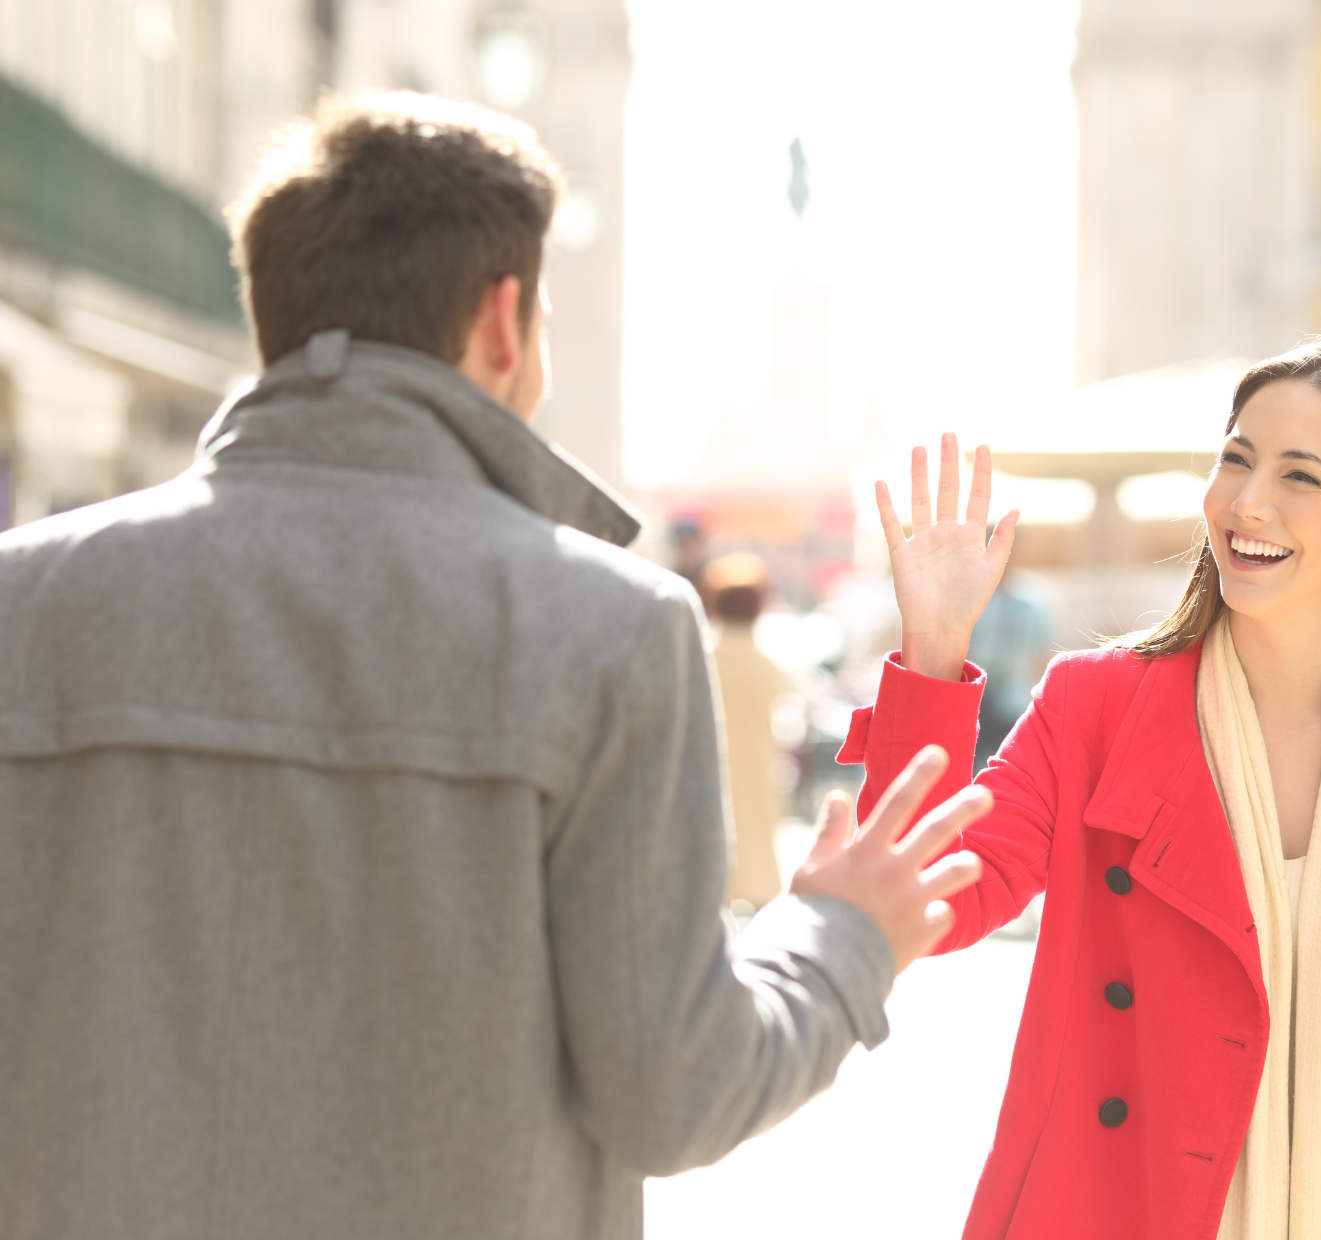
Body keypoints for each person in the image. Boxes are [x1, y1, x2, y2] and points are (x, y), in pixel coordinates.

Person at [0, 93, 989, 1238]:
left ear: (271, 306)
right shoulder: (606, 629)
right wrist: (840, 939)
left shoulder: (26, 601)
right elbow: (674, 1091)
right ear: (503, 322)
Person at [840, 339, 1321, 1239]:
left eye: (1299, 475)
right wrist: (931, 649)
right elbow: (922, 901)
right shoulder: (1099, 711)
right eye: (1235, 457)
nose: (1247, 500)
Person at [707, 552, 789, 908]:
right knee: (757, 843)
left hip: (712, 767)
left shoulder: (704, 657)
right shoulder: (767, 665)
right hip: (758, 766)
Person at [965, 569, 1052, 770]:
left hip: (1013, 702)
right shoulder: (970, 602)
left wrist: (1040, 705)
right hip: (976, 703)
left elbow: (1040, 656)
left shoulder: (1030, 604)